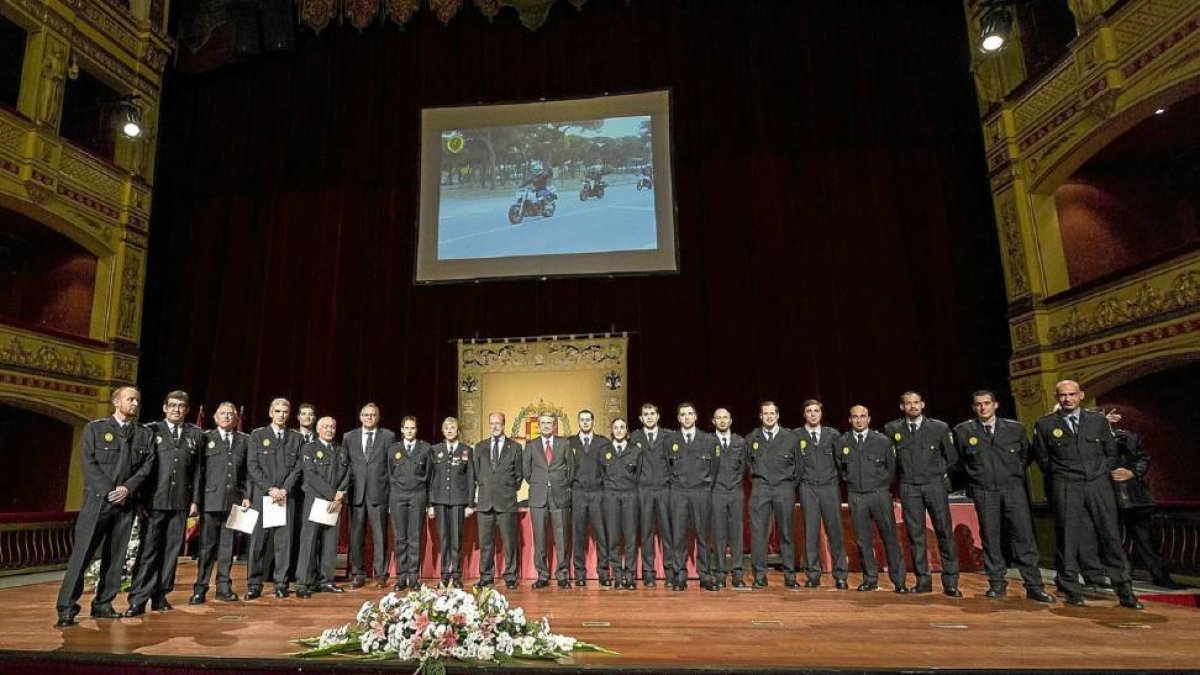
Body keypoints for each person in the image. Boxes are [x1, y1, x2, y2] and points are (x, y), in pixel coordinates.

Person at [1032, 380, 1142, 609]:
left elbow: (1110, 453)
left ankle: (1125, 590)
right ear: (1056, 397)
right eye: (1062, 395)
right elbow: (1043, 459)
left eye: (1072, 394)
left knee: (1110, 536)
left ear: (1081, 396)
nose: (1067, 399)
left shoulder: (1098, 421)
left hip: (1097, 485)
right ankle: (1071, 588)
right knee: (1068, 537)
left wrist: (1099, 473)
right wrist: (1062, 476)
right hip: (1065, 485)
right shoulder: (1045, 425)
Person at [55, 386, 154, 627]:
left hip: (126, 503)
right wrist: (111, 491)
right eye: (130, 399)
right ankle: (67, 607)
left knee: (116, 556)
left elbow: (146, 466)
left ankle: (103, 603)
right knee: (83, 555)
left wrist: (127, 489)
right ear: (116, 402)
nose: (135, 403)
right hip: (98, 501)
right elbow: (88, 463)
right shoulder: (96, 428)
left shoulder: (143, 434)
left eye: (137, 400)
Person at [953, 391, 1054, 603]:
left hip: (1013, 489)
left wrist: (1013, 472)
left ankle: (1034, 586)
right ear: (973, 408)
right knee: (991, 537)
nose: (983, 408)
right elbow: (960, 461)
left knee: (1023, 537)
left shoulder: (1015, 428)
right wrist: (977, 477)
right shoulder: (963, 431)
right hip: (984, 490)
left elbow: (1026, 455)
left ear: (995, 405)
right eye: (978, 405)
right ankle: (997, 584)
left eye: (987, 404)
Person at [126, 390, 203, 616]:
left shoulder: (194, 434)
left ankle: (160, 595)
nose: (176, 410)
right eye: (172, 405)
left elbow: (197, 471)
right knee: (148, 552)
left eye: (181, 406)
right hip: (154, 502)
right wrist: (139, 498)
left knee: (170, 553)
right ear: (164, 408)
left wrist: (195, 500)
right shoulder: (151, 430)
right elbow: (142, 468)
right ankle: (138, 599)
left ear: (187, 410)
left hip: (180, 502)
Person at [883, 392, 960, 597]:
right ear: (902, 407)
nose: (913, 406)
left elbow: (952, 459)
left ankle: (951, 581)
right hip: (909, 486)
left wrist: (944, 483)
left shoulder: (939, 427)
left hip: (934, 485)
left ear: (923, 404)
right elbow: (891, 462)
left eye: (916, 402)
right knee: (916, 535)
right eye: (908, 403)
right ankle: (923, 580)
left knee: (944, 532)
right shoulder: (892, 429)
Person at [1104, 411, 1183, 589]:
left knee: (1146, 539)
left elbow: (1142, 459)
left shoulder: (1129, 437)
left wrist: (1131, 472)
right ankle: (1121, 577)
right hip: (1107, 495)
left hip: (1134, 495)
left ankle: (1161, 576)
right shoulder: (1090, 441)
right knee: (1112, 540)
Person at [838, 405, 908, 593]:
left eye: (862, 416)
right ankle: (870, 579)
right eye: (855, 417)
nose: (859, 420)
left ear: (869, 419)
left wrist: (881, 486)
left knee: (890, 538)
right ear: (850, 420)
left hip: (879, 495)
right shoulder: (842, 442)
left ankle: (899, 580)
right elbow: (841, 470)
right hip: (856, 496)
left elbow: (891, 469)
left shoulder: (882, 441)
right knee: (862, 540)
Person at [190, 402, 251, 604]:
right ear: (215, 417)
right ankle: (200, 588)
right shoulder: (206, 438)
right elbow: (198, 473)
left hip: (233, 502)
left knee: (227, 547)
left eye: (231, 414)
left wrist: (247, 495)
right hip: (210, 501)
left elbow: (248, 473)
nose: (227, 417)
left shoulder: (244, 440)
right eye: (223, 414)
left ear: (236, 419)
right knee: (207, 548)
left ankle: (223, 587)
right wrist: (196, 501)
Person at [246, 398, 303, 599]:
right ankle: (254, 584)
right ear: (271, 412)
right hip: (264, 497)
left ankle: (281, 583)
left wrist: (285, 489)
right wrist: (270, 489)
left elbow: (298, 468)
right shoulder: (258, 435)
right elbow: (253, 466)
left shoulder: (296, 438)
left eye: (285, 411)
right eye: (277, 411)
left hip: (285, 498)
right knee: (258, 543)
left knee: (283, 543)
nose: (281, 414)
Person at [744, 401, 800, 588]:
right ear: (761, 417)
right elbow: (748, 467)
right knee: (759, 534)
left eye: (772, 413)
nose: (769, 416)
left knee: (786, 533)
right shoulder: (752, 438)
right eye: (765, 413)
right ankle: (760, 576)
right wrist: (760, 482)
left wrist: (788, 485)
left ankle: (790, 576)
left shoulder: (790, 438)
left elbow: (798, 468)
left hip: (784, 488)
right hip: (760, 488)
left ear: (777, 416)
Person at [795, 400, 849, 589]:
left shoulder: (833, 435)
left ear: (821, 413)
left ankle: (841, 575)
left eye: (816, 411)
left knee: (835, 532)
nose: (812, 414)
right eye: (809, 411)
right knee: (811, 532)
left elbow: (842, 461)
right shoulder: (796, 436)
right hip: (807, 487)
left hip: (829, 488)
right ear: (804, 414)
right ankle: (813, 575)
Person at [665, 403, 718, 591]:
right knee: (678, 537)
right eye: (682, 415)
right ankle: (679, 576)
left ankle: (704, 576)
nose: (686, 418)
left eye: (690, 414)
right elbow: (668, 468)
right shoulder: (670, 440)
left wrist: (704, 486)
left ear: (695, 417)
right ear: (678, 418)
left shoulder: (708, 440)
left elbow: (715, 468)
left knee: (703, 536)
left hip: (701, 493)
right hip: (678, 493)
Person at [296, 416, 349, 598]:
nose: (329, 430)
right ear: (318, 429)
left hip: (335, 502)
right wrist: (331, 493)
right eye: (326, 427)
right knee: (309, 543)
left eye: (332, 427)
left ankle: (326, 580)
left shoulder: (341, 450)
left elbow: (348, 473)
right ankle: (304, 582)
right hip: (315, 500)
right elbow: (311, 475)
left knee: (329, 543)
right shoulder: (309, 448)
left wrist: (341, 493)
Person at [470, 412, 524, 590]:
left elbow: (519, 476)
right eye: (491, 423)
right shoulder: (480, 447)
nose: (494, 426)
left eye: (498, 423)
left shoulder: (515, 447)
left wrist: (505, 489)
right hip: (485, 502)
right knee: (485, 543)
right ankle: (486, 576)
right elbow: (476, 474)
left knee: (509, 542)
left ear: (504, 424)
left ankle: (510, 576)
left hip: (506, 501)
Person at [344, 403, 394, 589]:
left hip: (379, 494)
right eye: (366, 415)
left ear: (378, 417)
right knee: (356, 536)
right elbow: (346, 465)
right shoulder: (349, 437)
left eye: (373, 415)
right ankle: (358, 574)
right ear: (360, 417)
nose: (369, 418)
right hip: (356, 494)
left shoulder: (388, 436)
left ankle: (381, 574)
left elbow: (390, 467)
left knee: (380, 536)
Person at [524, 411, 573, 588]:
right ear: (539, 425)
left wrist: (559, 484)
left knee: (561, 538)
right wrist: (541, 484)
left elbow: (571, 468)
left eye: (549, 423)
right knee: (540, 538)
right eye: (543, 423)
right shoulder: (531, 445)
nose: (546, 425)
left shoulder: (564, 443)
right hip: (538, 497)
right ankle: (542, 575)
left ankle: (562, 575)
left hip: (559, 496)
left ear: (554, 425)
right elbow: (526, 472)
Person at [427, 417, 473, 588]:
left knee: (456, 538)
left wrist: (469, 504)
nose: (449, 430)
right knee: (444, 538)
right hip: (439, 500)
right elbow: (430, 478)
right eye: (446, 427)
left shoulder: (466, 450)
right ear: (442, 430)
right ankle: (445, 574)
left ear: (458, 430)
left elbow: (470, 478)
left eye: (452, 427)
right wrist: (430, 504)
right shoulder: (435, 450)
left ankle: (457, 575)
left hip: (459, 501)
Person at [388, 416, 431, 592]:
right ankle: (401, 577)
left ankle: (413, 578)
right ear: (401, 430)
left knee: (414, 537)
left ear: (416, 430)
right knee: (400, 538)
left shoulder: (425, 448)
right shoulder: (393, 449)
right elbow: (390, 473)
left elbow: (429, 474)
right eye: (407, 428)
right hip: (398, 495)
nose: (410, 431)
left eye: (412, 428)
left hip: (418, 495)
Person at [631, 403, 671, 587]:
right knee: (646, 533)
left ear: (658, 416)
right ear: (640, 418)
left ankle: (671, 571)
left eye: (652, 413)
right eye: (645, 414)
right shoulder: (634, 437)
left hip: (664, 489)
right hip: (644, 490)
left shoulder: (669, 436)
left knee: (667, 533)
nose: (649, 417)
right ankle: (648, 573)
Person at [570, 410, 610, 586]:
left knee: (601, 535)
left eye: (588, 420)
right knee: (578, 535)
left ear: (593, 422)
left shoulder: (603, 442)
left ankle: (603, 572)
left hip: (597, 493)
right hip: (578, 493)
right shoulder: (569, 442)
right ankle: (579, 574)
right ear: (578, 422)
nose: (585, 423)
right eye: (582, 420)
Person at [600, 417, 641, 590]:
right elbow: (602, 474)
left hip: (630, 495)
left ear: (627, 431)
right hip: (611, 496)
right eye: (615, 427)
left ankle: (630, 576)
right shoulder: (604, 450)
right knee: (614, 537)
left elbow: (638, 474)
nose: (618, 430)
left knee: (631, 537)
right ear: (612, 430)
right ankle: (617, 574)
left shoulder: (636, 450)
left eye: (622, 427)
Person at [710, 407, 748, 589]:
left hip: (735, 492)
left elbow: (745, 468)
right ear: (713, 421)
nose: (722, 421)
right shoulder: (708, 442)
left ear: (731, 420)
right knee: (718, 535)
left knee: (736, 535)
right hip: (716, 492)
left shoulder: (740, 442)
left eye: (725, 417)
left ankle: (738, 575)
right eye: (719, 418)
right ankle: (719, 574)